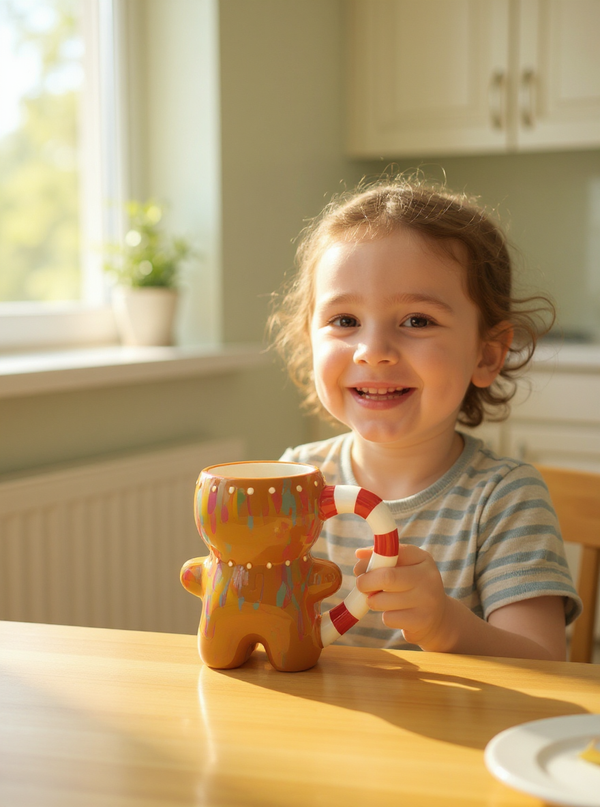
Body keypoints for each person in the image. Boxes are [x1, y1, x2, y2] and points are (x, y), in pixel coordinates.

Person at [268, 177, 581, 661]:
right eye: (345, 321)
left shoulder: (504, 498)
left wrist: (446, 625)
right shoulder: (294, 481)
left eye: (417, 320)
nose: (373, 352)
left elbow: (544, 662)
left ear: (486, 354)